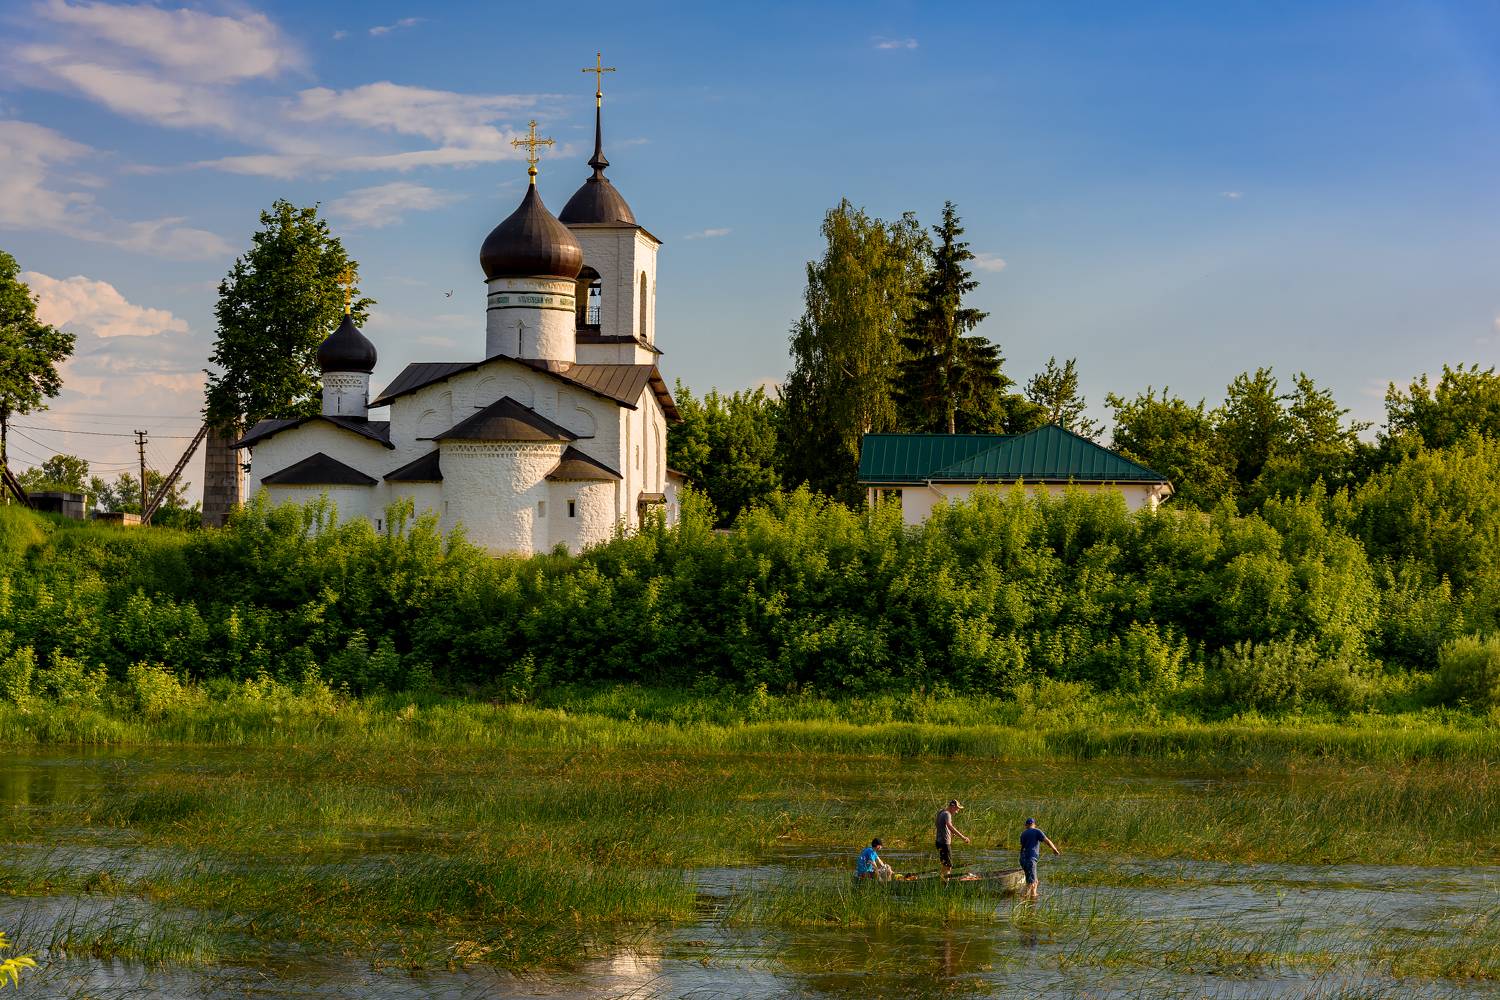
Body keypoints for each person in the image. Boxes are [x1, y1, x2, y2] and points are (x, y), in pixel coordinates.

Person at [1018, 816, 1060, 900]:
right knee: (1032, 882)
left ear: (1026, 825)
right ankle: (1024, 899)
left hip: (1022, 859)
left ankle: (1033, 898)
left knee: (1033, 881)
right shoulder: (1037, 831)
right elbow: (1047, 840)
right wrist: (1054, 849)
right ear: (1034, 824)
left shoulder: (1023, 833)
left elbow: (1023, 846)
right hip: (1031, 859)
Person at [935, 799, 970, 878]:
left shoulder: (941, 811)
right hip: (944, 843)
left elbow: (937, 823)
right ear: (952, 806)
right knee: (948, 866)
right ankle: (945, 884)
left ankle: (942, 880)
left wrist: (947, 832)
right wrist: (963, 837)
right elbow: (950, 825)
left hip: (938, 842)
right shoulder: (947, 814)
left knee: (945, 864)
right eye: (957, 809)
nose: (957, 811)